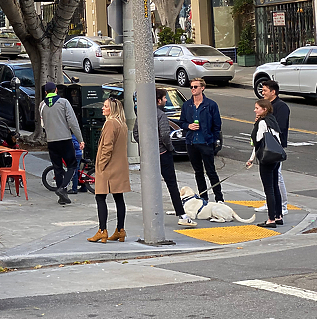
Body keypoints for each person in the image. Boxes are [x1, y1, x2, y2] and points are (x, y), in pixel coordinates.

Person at [133, 89, 196, 227]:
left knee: (150, 185)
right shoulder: (161, 115)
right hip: (163, 154)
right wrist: (169, 148)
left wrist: (146, 146)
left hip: (148, 156)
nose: (166, 100)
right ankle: (182, 215)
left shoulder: (142, 114)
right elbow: (165, 135)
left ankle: (150, 214)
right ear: (158, 100)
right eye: (164, 98)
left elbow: (136, 133)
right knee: (172, 185)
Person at [88, 98, 131, 243]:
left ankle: (102, 230)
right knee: (119, 198)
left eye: (105, 106)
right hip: (119, 166)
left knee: (100, 197)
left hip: (108, 167)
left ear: (112, 109)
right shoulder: (122, 123)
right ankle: (120, 230)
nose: (102, 108)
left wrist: (100, 164)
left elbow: (107, 146)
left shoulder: (110, 123)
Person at [178, 77, 224, 202]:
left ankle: (219, 198)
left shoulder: (210, 105)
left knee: (211, 171)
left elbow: (217, 125)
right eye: (191, 87)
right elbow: (181, 122)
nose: (193, 89)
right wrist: (188, 126)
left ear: (202, 88)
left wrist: (213, 140)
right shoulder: (187, 105)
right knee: (198, 172)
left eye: (195, 87)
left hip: (206, 142)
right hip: (192, 142)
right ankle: (204, 197)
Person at [39, 81, 84, 205]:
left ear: (45, 92)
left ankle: (62, 198)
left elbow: (43, 125)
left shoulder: (42, 105)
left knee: (57, 167)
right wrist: (80, 139)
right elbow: (73, 122)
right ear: (56, 90)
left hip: (51, 140)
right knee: (72, 164)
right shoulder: (64, 102)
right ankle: (62, 188)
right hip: (64, 139)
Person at [246, 99, 284, 228]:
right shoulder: (272, 121)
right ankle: (279, 216)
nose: (255, 110)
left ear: (264, 109)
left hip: (266, 159)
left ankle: (271, 219)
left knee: (268, 189)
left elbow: (257, 141)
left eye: (257, 108)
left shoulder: (262, 123)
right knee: (275, 187)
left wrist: (256, 125)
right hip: (275, 158)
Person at [255, 80, 290, 218]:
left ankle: (282, 205)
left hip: (275, 148)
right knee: (271, 180)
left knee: (277, 177)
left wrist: (264, 121)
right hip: (266, 148)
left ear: (273, 92)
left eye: (265, 90)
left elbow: (279, 128)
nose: (263, 93)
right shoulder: (267, 108)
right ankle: (271, 203)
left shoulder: (281, 107)